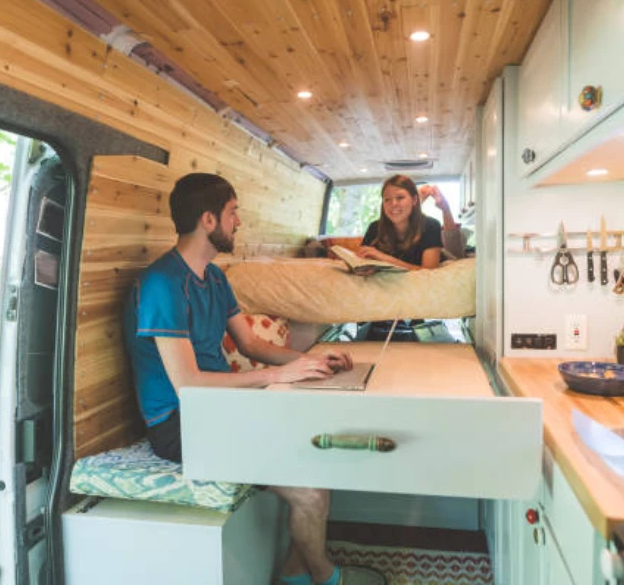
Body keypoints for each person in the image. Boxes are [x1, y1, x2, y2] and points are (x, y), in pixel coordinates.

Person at [123, 173, 383, 585]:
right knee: (311, 491)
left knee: (319, 451)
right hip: (179, 423)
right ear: (208, 220)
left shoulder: (215, 277)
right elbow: (188, 385)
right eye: (233, 213)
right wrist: (278, 375)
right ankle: (326, 577)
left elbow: (251, 346)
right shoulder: (162, 285)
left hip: (219, 409)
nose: (238, 222)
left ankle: (295, 574)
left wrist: (311, 360)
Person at [356, 174, 443, 271]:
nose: (393, 204)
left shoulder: (431, 225)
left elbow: (430, 272)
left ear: (414, 200)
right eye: (387, 199)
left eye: (400, 198)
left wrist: (383, 258)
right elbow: (360, 262)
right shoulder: (374, 227)